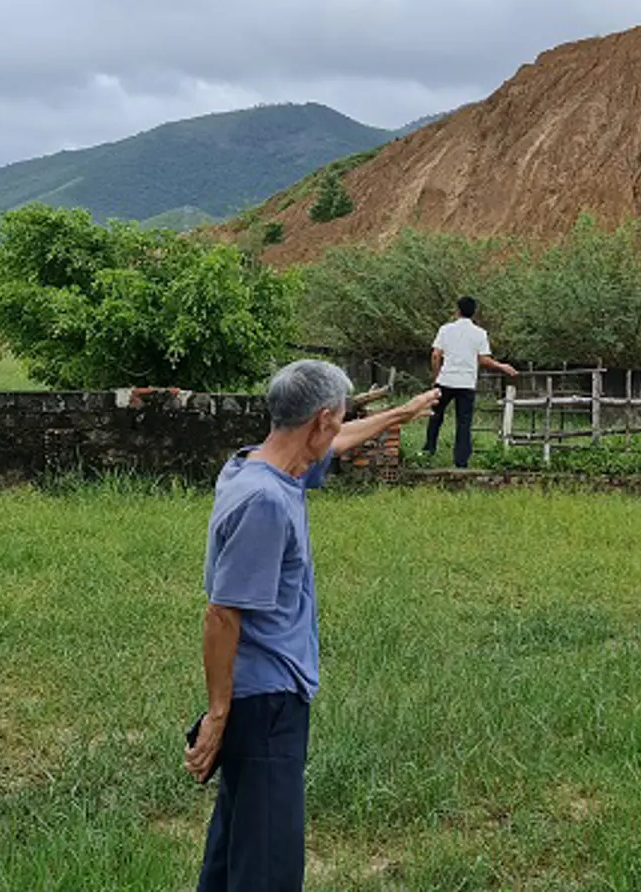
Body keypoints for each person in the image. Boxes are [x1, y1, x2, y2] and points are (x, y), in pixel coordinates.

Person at [185, 359, 439, 891]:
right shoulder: (266, 502)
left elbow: (342, 439)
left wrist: (403, 413)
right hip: (267, 703)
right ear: (318, 421)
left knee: (236, 849)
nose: (340, 432)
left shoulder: (252, 466)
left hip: (261, 699)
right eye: (337, 420)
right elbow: (222, 613)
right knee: (269, 866)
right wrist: (216, 714)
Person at [424, 296, 518, 468]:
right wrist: (501, 366)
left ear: (457, 310)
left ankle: (428, 451)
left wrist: (436, 376)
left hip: (445, 379)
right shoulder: (480, 333)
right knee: (464, 422)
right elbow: (484, 360)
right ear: (474, 313)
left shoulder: (445, 329)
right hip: (466, 383)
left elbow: (436, 355)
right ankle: (461, 462)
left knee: (435, 416)